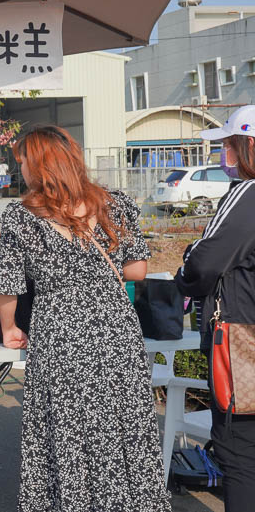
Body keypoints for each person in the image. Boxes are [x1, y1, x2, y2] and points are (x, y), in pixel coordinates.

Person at [0, 125, 168, 512]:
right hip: (115, 326)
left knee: (67, 428)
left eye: (22, 160)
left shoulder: (21, 215)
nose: (20, 167)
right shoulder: (114, 203)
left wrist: (10, 328)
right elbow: (137, 269)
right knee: (123, 422)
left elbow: (8, 284)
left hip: (60, 327)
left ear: (37, 164)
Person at [175, 105, 255, 511]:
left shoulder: (246, 194)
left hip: (244, 346)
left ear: (247, 146)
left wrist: (183, 278)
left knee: (239, 453)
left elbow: (202, 263)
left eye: (228, 144)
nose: (224, 154)